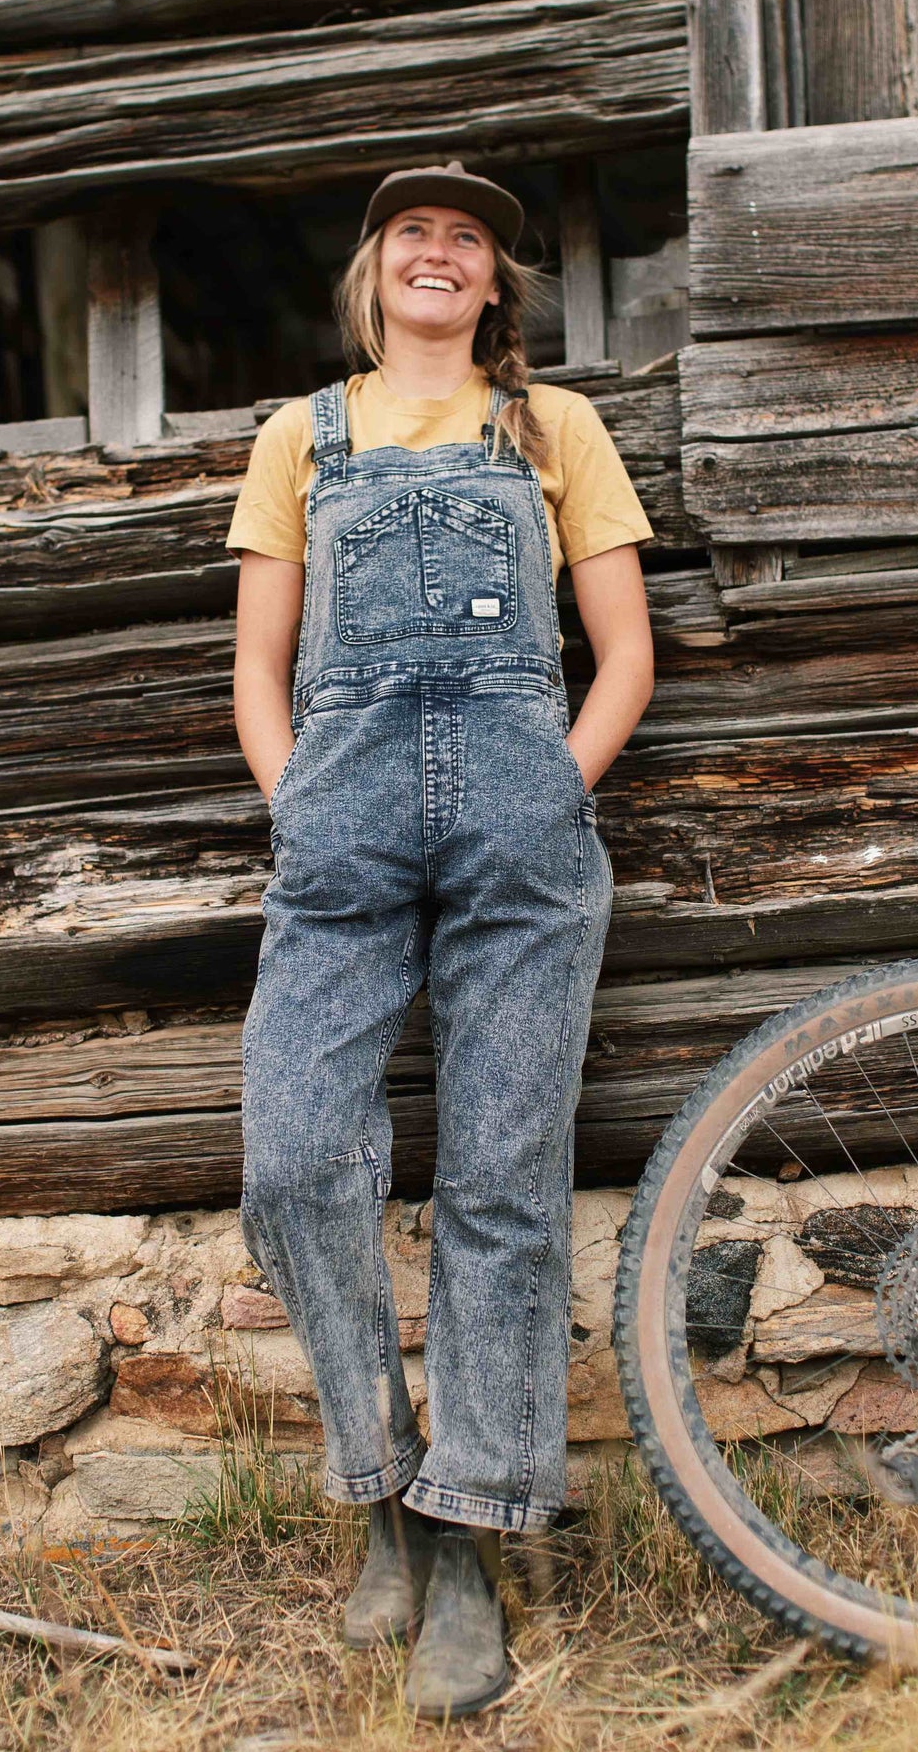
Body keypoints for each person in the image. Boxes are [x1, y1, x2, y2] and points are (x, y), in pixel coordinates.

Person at [226, 160, 654, 1718]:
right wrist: (303, 807)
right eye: (412, 229)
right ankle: (382, 1477)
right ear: (374, 272)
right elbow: (258, 664)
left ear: (494, 288)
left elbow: (625, 652)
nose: (438, 248)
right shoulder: (301, 436)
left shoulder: (556, 430)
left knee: (500, 1181)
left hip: (519, 826)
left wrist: (554, 790)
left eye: (466, 237)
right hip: (340, 821)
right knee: (292, 1163)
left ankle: (470, 1540)